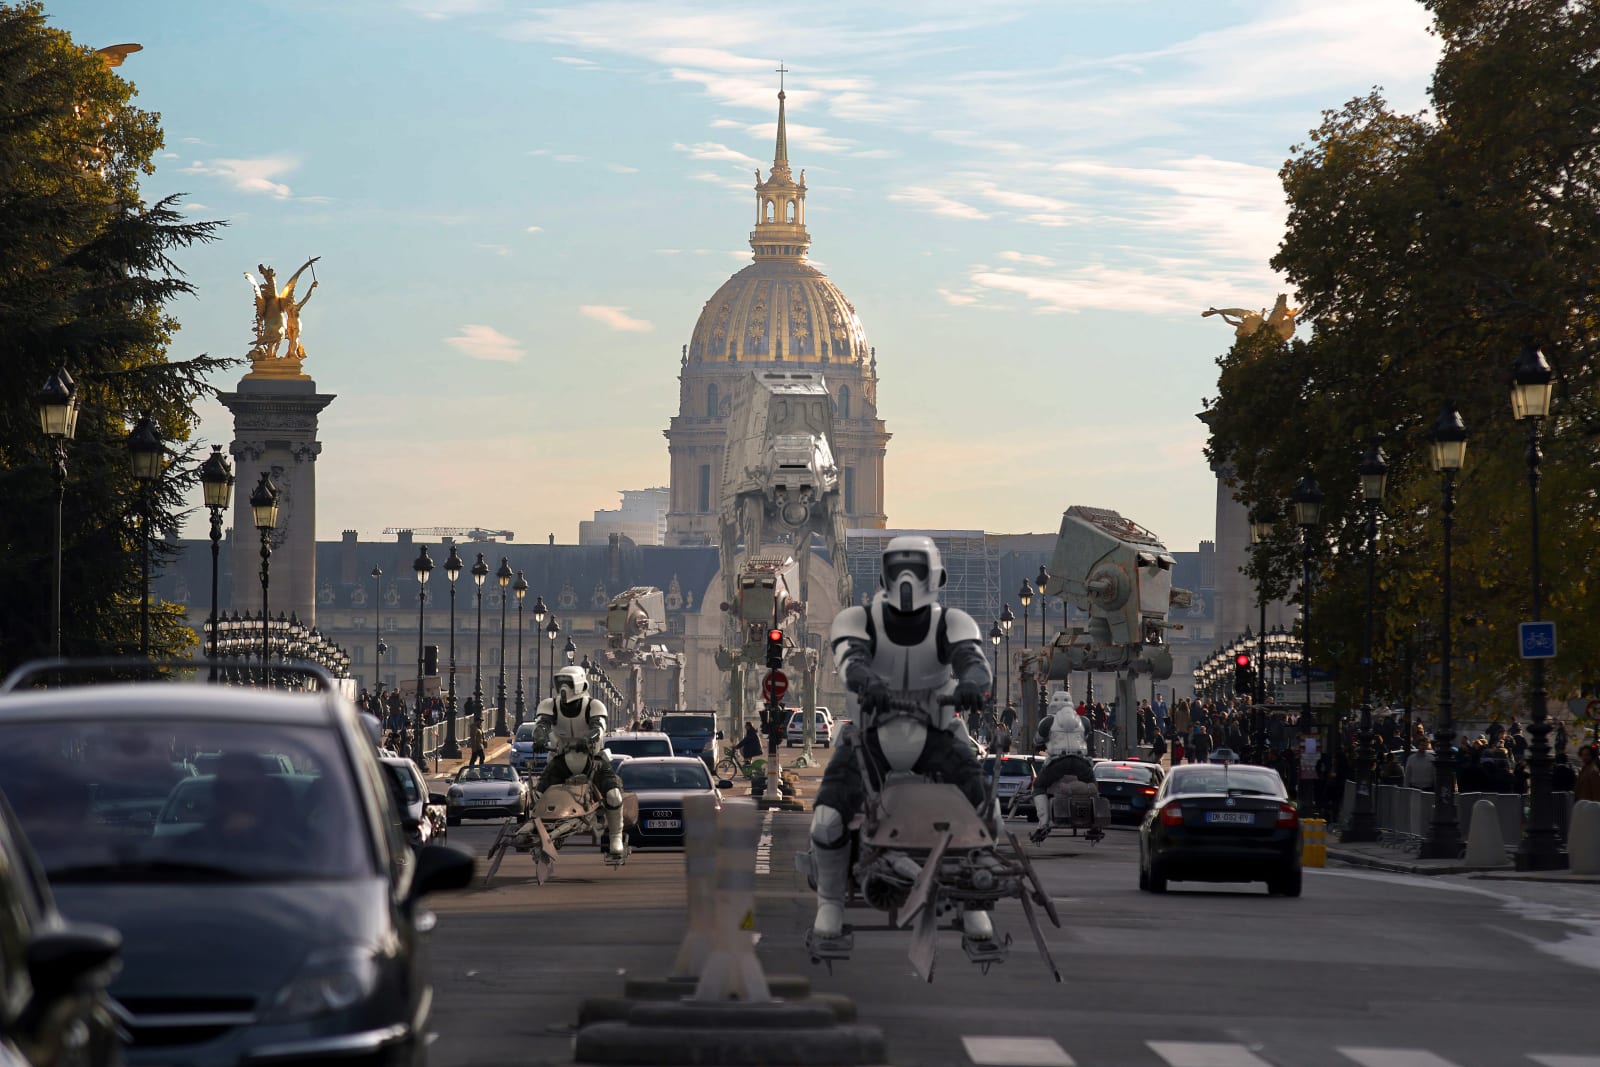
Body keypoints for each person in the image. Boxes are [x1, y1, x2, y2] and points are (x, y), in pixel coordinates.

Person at [809, 536, 993, 949]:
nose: (906, 579)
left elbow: (974, 662)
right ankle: (830, 902)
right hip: (871, 736)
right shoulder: (858, 620)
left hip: (935, 733)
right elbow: (849, 659)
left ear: (936, 576)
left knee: (983, 809)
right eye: (898, 568)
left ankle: (971, 898)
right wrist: (865, 680)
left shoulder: (953, 624)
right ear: (884, 575)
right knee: (827, 818)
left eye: (915, 568)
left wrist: (973, 685)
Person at [530, 666, 625, 856]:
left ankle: (616, 836)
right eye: (560, 683)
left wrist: (587, 739)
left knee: (614, 795)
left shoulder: (593, 705)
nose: (563, 688)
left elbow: (599, 727)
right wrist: (539, 738)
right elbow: (541, 724)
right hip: (561, 759)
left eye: (568, 682)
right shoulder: (550, 705)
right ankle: (539, 831)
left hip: (592, 759)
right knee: (538, 796)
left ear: (580, 683)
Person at [1028, 690, 1097, 843]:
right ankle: (1096, 820)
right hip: (1081, 760)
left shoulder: (1047, 722)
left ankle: (1043, 825)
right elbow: (1085, 736)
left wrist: (1041, 744)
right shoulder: (1084, 720)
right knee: (1092, 786)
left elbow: (1037, 741)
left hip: (1058, 761)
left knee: (1039, 786)